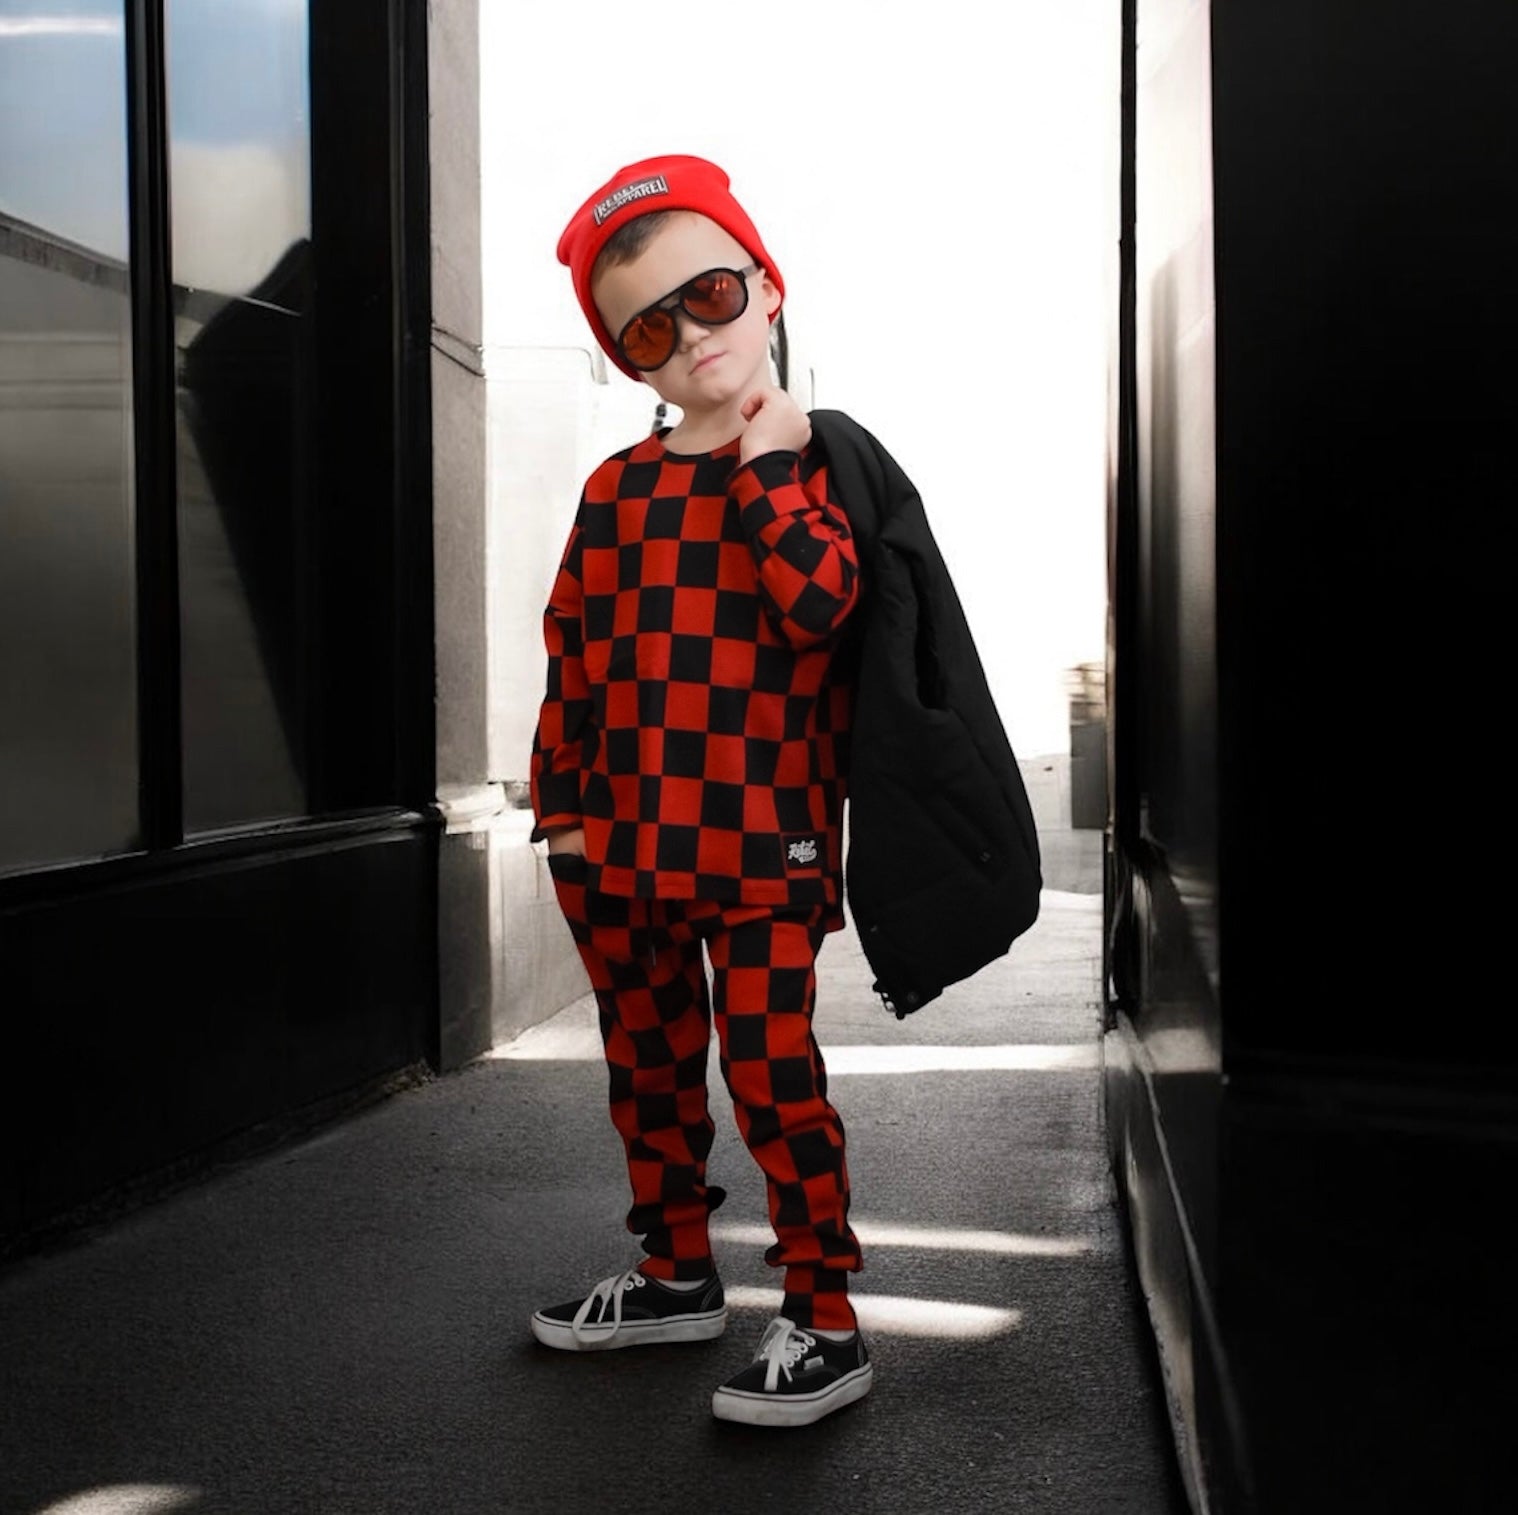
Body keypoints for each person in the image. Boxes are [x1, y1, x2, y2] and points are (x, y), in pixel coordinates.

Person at [527, 154, 872, 1428]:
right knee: (650, 1071)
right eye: (648, 331)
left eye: (710, 295)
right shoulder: (616, 491)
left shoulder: (818, 464)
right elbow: (574, 655)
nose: (689, 338)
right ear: (628, 361)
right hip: (619, 848)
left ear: (766, 287)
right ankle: (676, 1273)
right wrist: (562, 817)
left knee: (774, 1076)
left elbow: (824, 608)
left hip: (765, 844)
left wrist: (767, 470)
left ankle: (825, 1318)